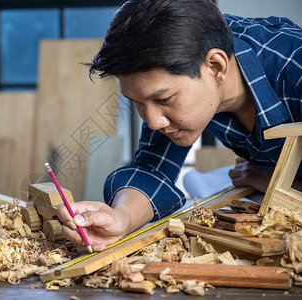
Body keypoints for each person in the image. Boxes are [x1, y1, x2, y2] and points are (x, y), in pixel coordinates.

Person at [57, 0, 302, 252]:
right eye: (137, 102)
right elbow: (153, 166)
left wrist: (278, 184)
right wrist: (121, 218)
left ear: (216, 67)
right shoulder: (179, 56)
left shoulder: (295, 70)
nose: (153, 122)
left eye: (163, 99)